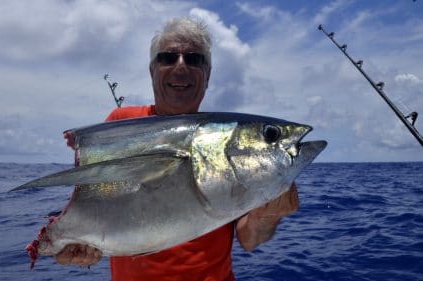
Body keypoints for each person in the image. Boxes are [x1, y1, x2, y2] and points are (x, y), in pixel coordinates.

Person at [58, 18, 299, 281]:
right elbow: (92, 208)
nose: (181, 65)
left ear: (207, 75)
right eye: (168, 57)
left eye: (194, 59)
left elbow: (250, 240)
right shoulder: (120, 124)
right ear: (153, 70)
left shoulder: (226, 139)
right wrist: (72, 247)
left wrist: (268, 215)